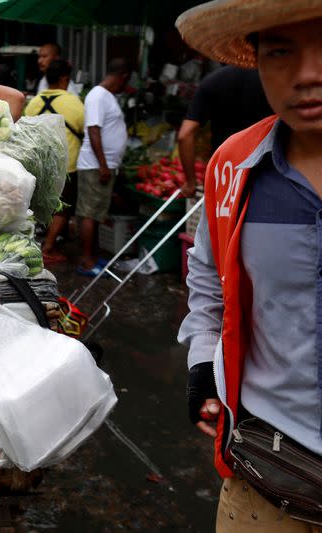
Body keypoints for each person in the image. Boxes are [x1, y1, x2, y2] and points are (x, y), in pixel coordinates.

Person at [176, 2, 322, 530]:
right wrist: (202, 363)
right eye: (281, 50)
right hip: (266, 477)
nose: (308, 75)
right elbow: (209, 280)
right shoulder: (234, 166)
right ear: (255, 59)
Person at [176, 65, 273, 197]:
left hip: (222, 178)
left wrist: (191, 182)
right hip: (265, 178)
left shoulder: (211, 81)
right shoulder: (274, 81)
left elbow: (185, 135)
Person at [24, 60, 85, 264]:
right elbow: (84, 128)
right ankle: (48, 247)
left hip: (38, 164)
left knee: (38, 204)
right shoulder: (74, 102)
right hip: (66, 166)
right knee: (63, 209)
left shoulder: (34, 102)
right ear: (64, 79)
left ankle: (33, 243)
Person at [75, 58, 131, 276]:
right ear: (123, 77)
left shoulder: (105, 96)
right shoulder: (98, 95)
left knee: (95, 213)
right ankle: (87, 261)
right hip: (94, 165)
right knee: (89, 213)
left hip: (100, 165)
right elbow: (93, 130)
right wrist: (103, 165)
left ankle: (93, 257)